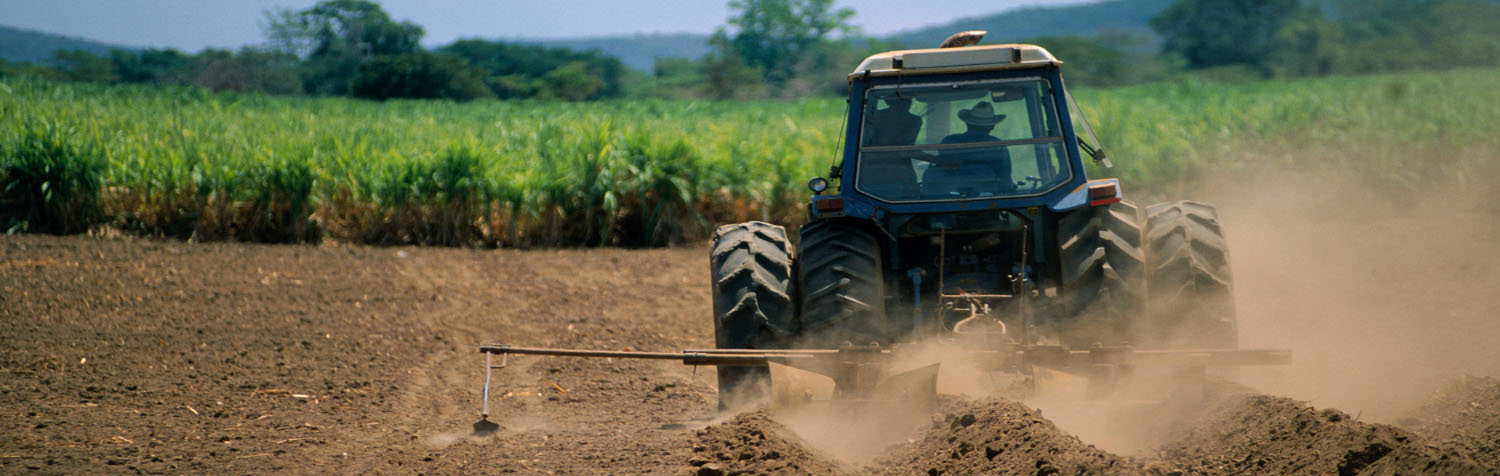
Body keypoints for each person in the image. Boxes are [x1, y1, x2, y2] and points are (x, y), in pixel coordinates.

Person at [925, 102, 1014, 195]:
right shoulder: (998, 145)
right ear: (992, 126)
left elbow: (942, 164)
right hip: (986, 200)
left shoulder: (948, 141)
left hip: (943, 198)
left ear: (967, 123)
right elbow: (1005, 178)